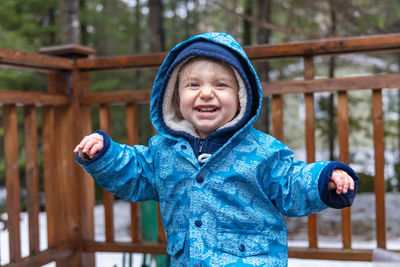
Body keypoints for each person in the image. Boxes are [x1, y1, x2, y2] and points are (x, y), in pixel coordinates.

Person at [74, 32, 358, 267]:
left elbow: (290, 182)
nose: (206, 93)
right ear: (176, 96)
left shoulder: (261, 150)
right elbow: (133, 174)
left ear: (241, 97)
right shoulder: (163, 151)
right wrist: (105, 155)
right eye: (193, 84)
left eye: (220, 85)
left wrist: (324, 179)